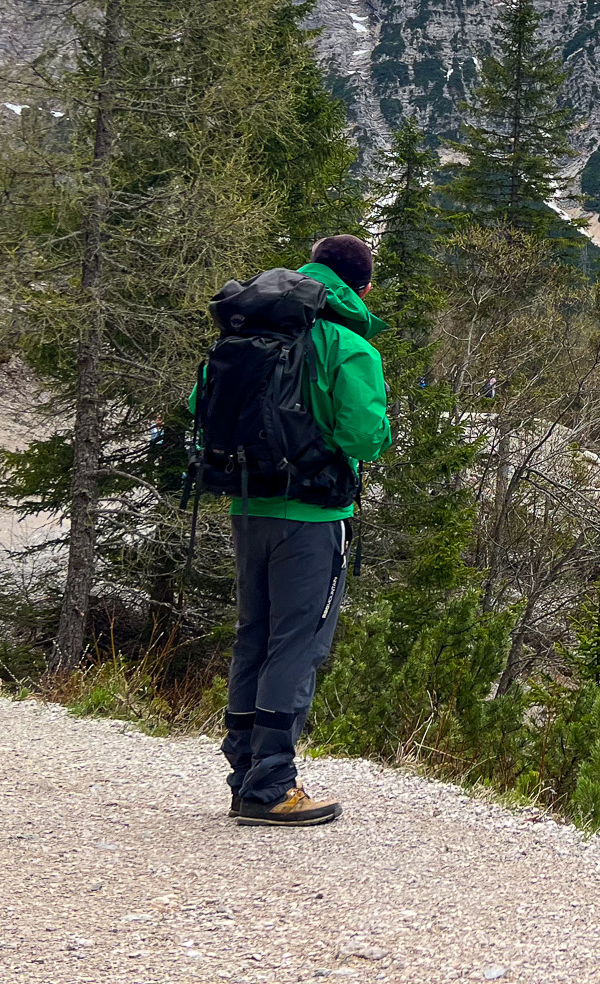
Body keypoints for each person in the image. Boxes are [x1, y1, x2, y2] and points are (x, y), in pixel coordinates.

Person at [198, 233, 390, 827]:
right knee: (297, 643)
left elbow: (197, 402)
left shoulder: (249, 331)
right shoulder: (345, 343)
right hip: (314, 515)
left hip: (248, 505)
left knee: (253, 632)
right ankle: (273, 784)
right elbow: (364, 436)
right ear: (361, 288)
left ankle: (244, 775)